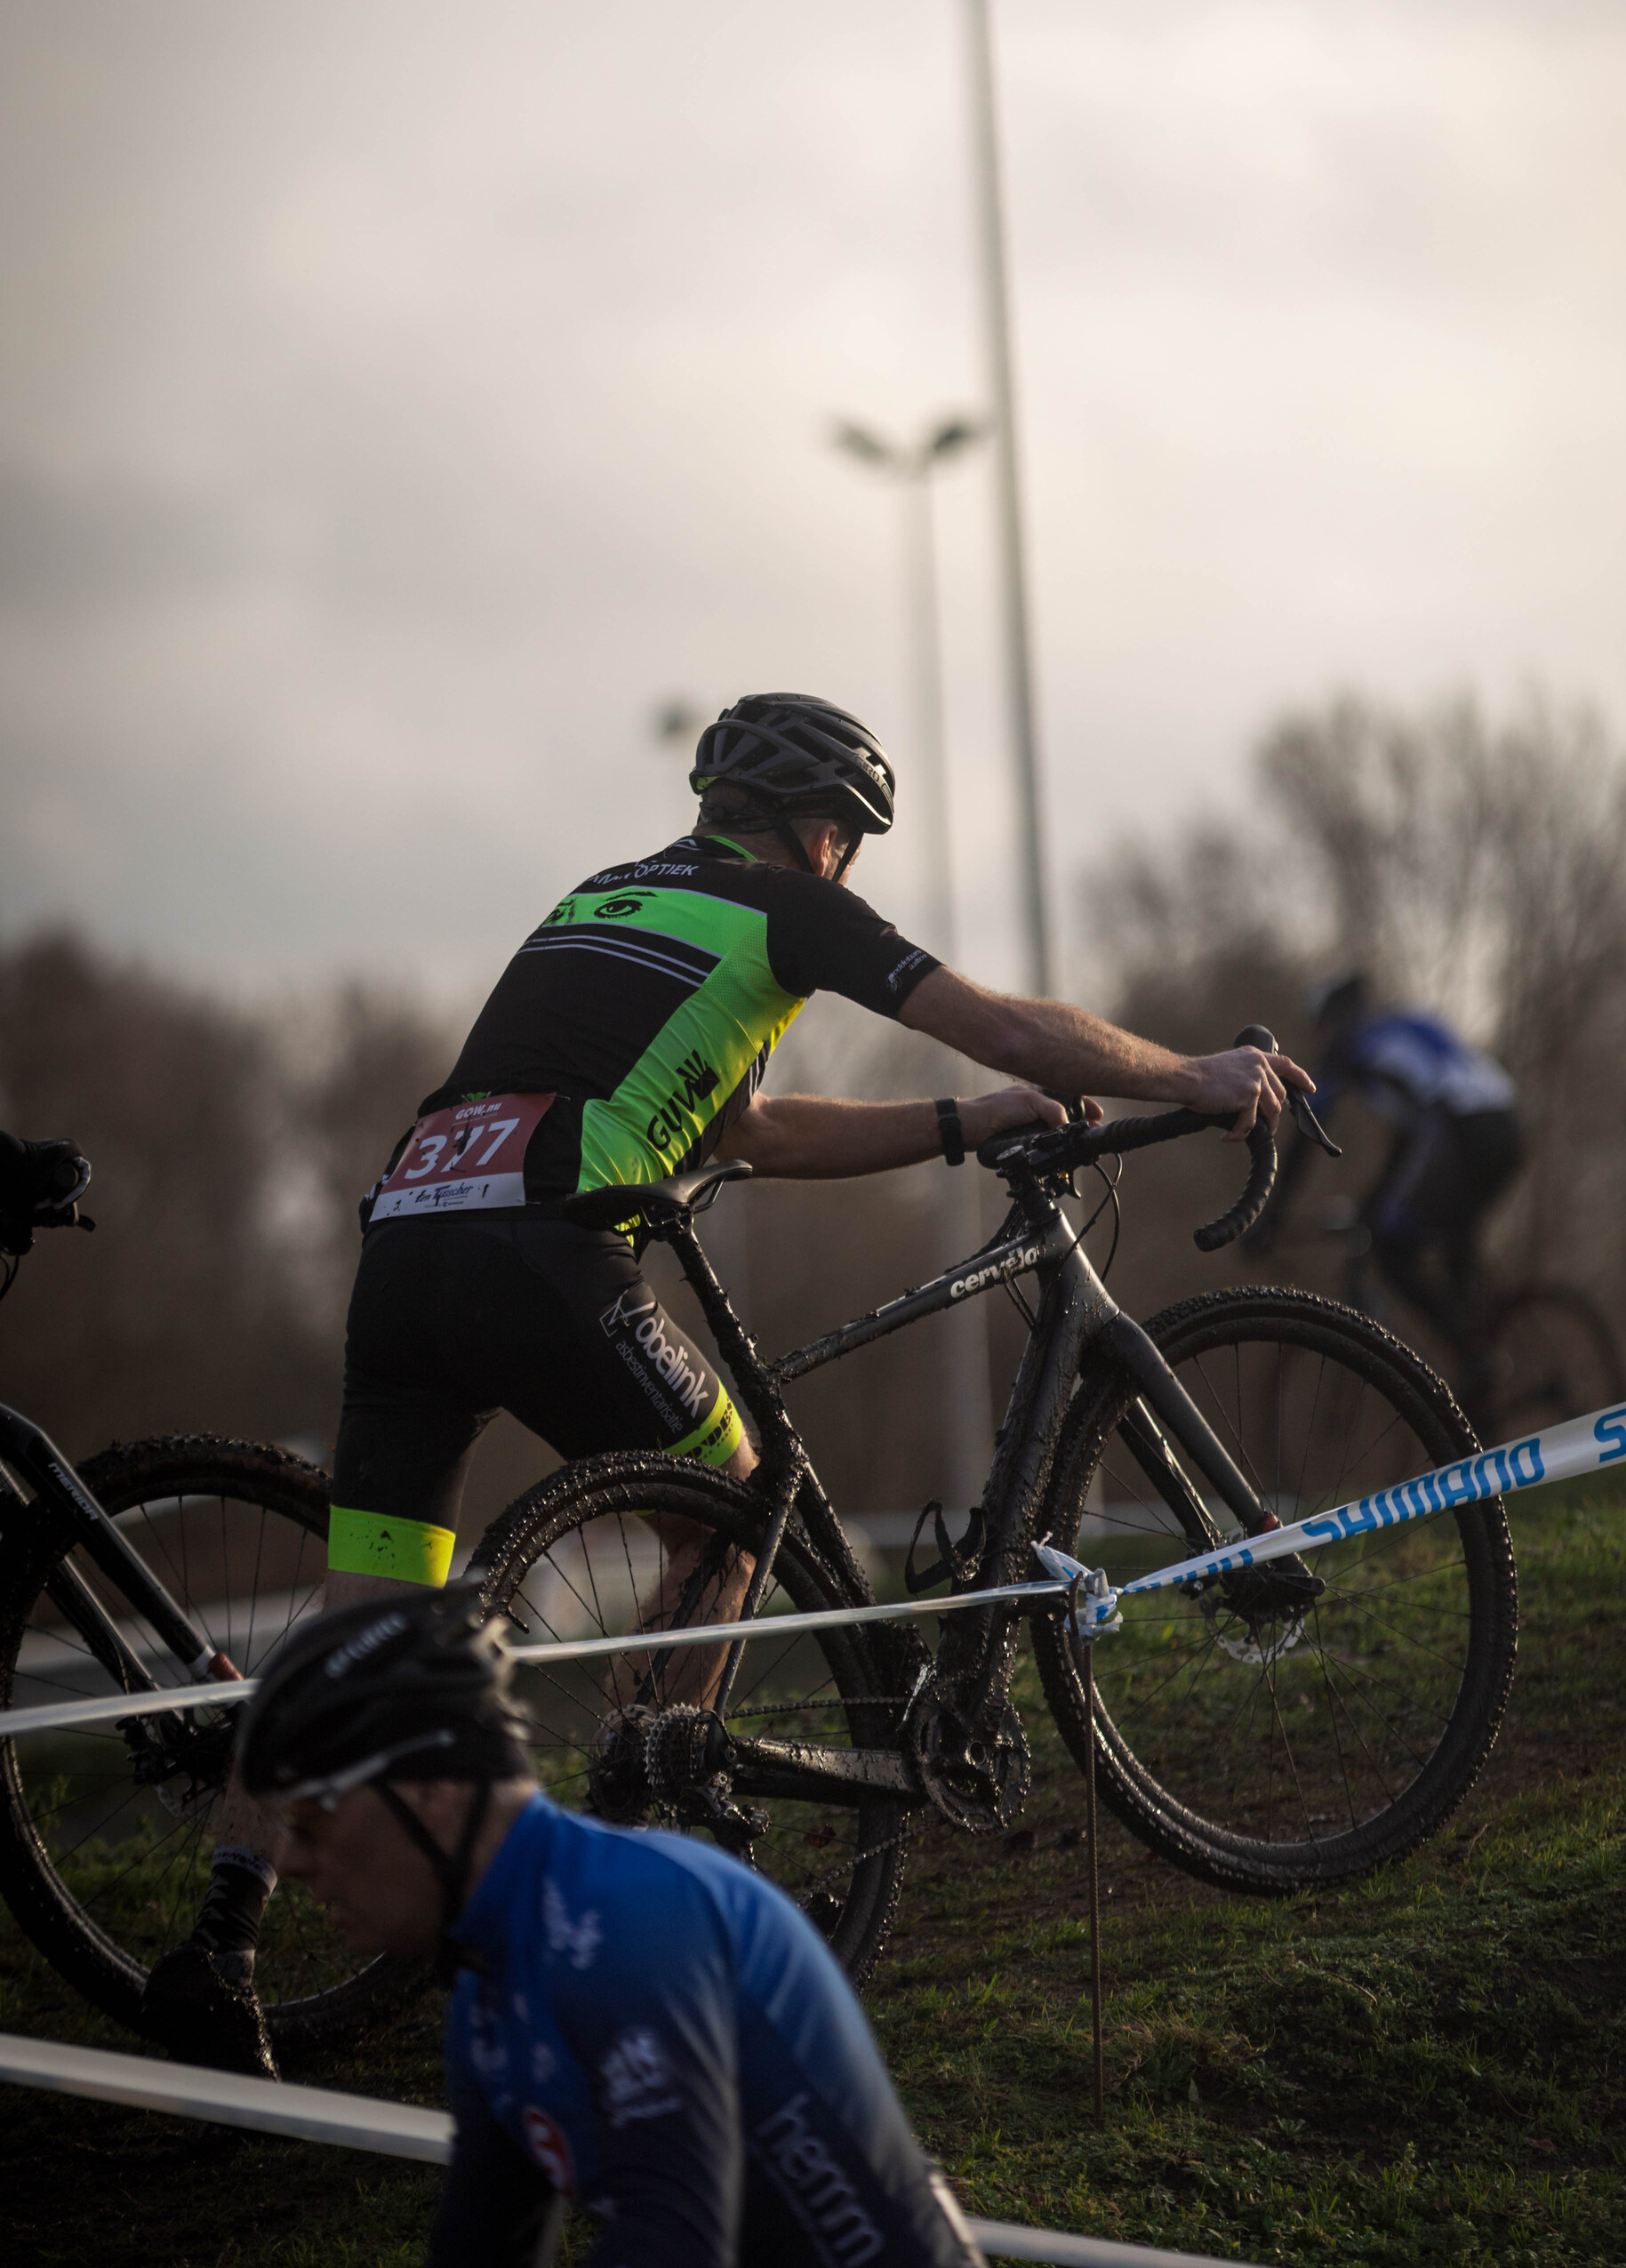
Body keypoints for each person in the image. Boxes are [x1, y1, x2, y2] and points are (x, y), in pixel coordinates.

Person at [150, 690, 1310, 2072]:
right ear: (824, 835)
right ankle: (639, 1823)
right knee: (732, 1502)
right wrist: (1197, 1071)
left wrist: (956, 1128)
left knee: (361, 1616)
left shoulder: (607, 900)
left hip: (410, 1246)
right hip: (546, 1244)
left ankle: (218, 1942)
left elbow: (745, 1127)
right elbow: (1002, 1022)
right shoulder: (789, 909)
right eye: (851, 845)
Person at [237, 1586, 986, 2268]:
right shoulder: (489, 1998)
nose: (290, 1858)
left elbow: (680, 2241)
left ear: (431, 1791)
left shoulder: (630, 1924)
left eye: (310, 1813)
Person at [1254, 971, 1524, 1394]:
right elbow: (1409, 1142)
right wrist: (1373, 1200)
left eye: (1321, 1028)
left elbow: (1307, 1131)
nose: (1320, 1040)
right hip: (1505, 1125)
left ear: (1337, 1020)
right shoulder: (1398, 1028)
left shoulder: (1353, 1044)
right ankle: (1485, 1368)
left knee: (1391, 1247)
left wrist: (1270, 1212)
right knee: (1452, 1239)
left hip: (1459, 1129)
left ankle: (1476, 1358)